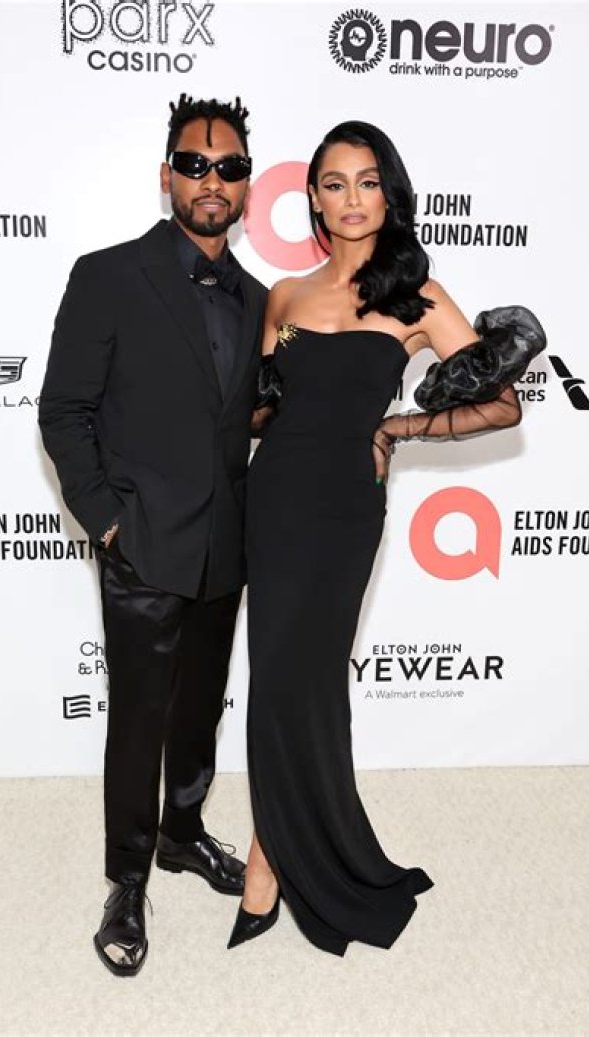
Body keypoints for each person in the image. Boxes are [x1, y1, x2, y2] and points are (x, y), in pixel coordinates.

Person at [229, 121, 544, 955]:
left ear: (389, 194)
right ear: (313, 198)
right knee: (276, 678)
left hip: (344, 507)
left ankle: (273, 856)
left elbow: (502, 402)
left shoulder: (418, 295)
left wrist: (399, 426)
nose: (352, 199)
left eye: (368, 182)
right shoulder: (284, 295)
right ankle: (270, 851)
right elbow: (260, 412)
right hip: (275, 498)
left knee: (309, 677)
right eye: (335, 184)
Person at [38, 94, 268, 976]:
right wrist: (107, 519)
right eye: (196, 164)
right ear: (167, 174)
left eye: (230, 167)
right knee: (138, 720)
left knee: (200, 709)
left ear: (246, 185)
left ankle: (183, 832)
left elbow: (238, 415)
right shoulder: (108, 275)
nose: (213, 180)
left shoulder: (259, 299)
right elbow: (64, 411)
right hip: (141, 543)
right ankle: (127, 879)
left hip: (224, 547)